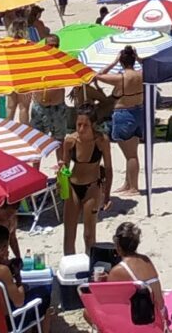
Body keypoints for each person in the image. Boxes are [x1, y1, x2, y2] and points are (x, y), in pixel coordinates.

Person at [59, 109, 110, 257]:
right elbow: (66, 167)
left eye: (85, 125)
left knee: (89, 235)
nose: (81, 129)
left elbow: (109, 168)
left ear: (93, 125)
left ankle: (90, 265)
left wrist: (107, 195)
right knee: (69, 234)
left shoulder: (101, 141)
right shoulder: (70, 141)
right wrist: (61, 173)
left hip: (92, 187)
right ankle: (69, 264)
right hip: (73, 186)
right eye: (78, 124)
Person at [97, 45, 146, 195]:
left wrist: (114, 62)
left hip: (124, 114)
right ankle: (128, 184)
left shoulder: (120, 78)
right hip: (138, 112)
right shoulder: (142, 74)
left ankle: (134, 187)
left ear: (122, 62)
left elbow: (98, 75)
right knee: (131, 152)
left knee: (131, 155)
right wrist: (138, 59)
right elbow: (149, 66)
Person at [101, 220, 166, 329]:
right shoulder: (146, 260)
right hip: (161, 317)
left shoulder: (118, 270)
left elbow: (108, 303)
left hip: (144, 322)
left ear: (117, 244)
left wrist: (102, 282)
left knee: (88, 313)